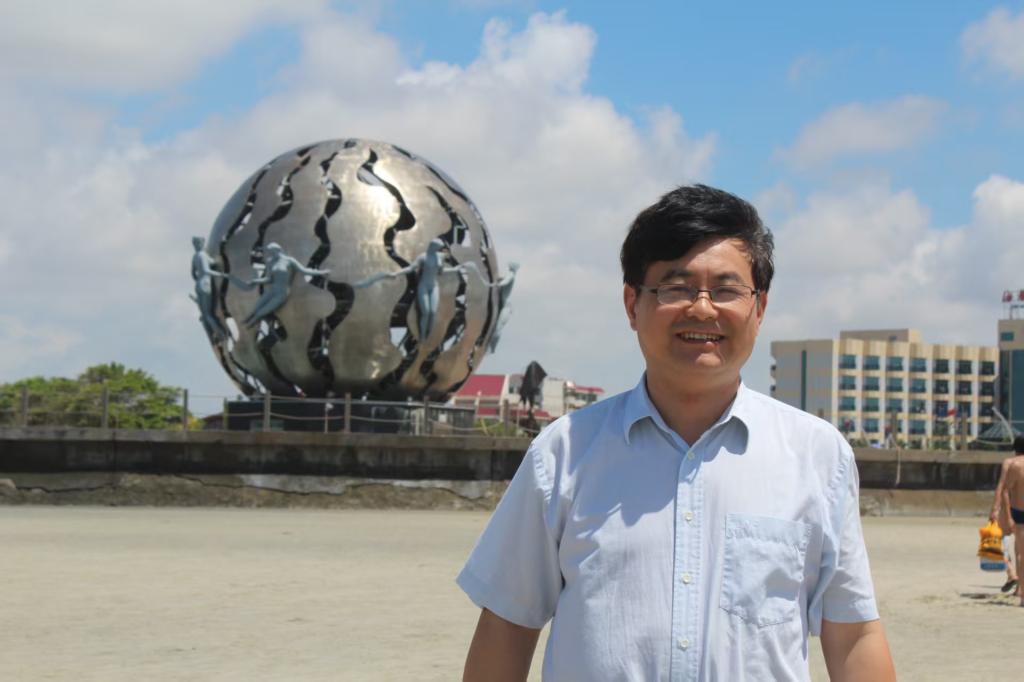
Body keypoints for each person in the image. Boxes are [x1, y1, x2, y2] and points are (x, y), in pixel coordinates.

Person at [458, 184, 896, 680]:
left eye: (726, 290)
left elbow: (853, 633)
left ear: (759, 308)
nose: (703, 309)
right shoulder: (563, 453)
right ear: (632, 304)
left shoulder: (816, 455)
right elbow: (506, 626)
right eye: (676, 287)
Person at [240, 242, 330, 328]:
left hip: (281, 293)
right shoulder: (271, 262)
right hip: (272, 290)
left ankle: (249, 325)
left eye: (271, 251)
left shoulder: (289, 261)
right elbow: (268, 279)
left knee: (262, 312)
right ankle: (244, 323)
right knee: (256, 308)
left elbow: (304, 271)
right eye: (269, 252)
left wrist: (322, 272)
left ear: (278, 250)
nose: (270, 254)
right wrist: (255, 281)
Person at [990, 435, 1024, 604]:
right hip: (1015, 508)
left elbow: (1002, 487)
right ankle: (1019, 587)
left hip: (1010, 508)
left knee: (997, 540)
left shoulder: (1009, 463)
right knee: (1019, 549)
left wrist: (995, 508)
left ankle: (1012, 575)